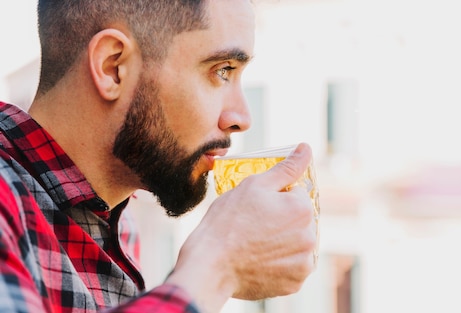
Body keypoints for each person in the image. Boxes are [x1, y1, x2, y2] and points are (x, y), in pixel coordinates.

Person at [0, 0, 317, 312]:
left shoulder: (120, 223)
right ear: (113, 68)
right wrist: (217, 267)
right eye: (222, 71)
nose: (242, 117)